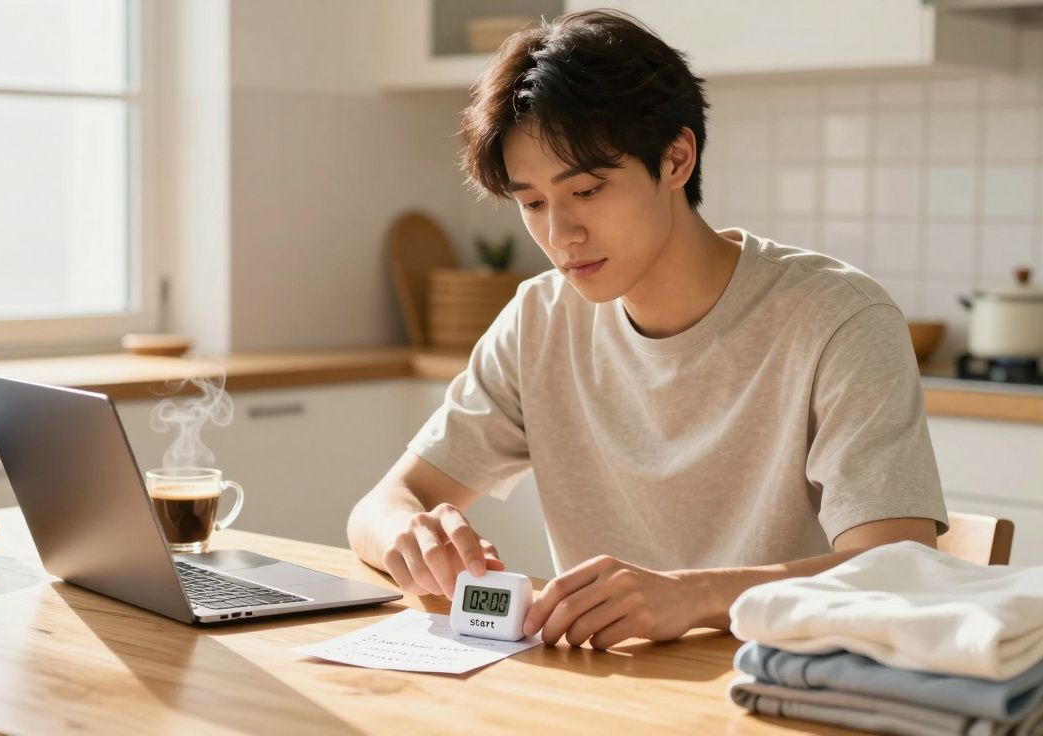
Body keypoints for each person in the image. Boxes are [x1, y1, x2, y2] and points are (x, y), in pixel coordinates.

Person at [347, 9, 947, 651]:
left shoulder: (838, 318)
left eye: (587, 190)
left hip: (787, 688)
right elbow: (382, 505)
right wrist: (409, 532)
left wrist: (692, 595)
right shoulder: (539, 319)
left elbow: (898, 571)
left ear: (676, 159)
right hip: (610, 694)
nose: (559, 235)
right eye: (532, 203)